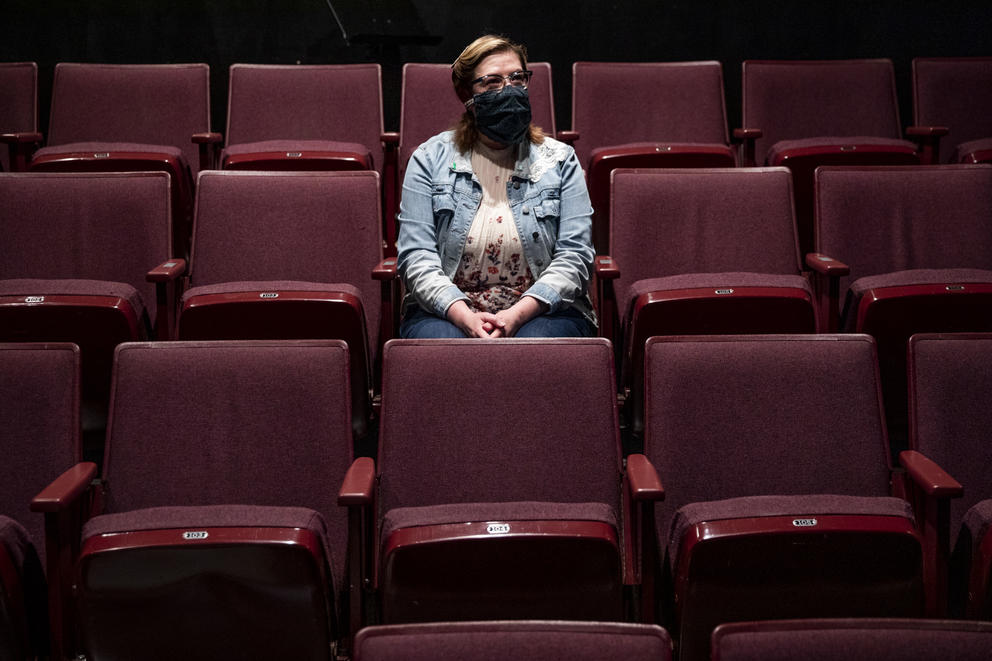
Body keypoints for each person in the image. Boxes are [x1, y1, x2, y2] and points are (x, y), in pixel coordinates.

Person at [396, 34, 597, 338]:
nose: (509, 89)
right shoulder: (428, 160)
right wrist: (464, 316)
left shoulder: (560, 160)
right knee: (440, 348)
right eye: (492, 82)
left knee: (538, 347)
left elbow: (575, 256)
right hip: (449, 310)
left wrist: (516, 315)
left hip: (541, 309)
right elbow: (416, 257)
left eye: (517, 78)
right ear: (467, 94)